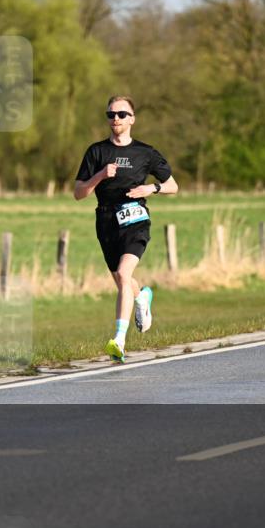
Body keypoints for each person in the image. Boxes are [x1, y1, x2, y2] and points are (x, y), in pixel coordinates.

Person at [73, 96, 178, 362]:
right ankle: (143, 295)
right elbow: (78, 193)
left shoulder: (146, 153)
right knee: (121, 280)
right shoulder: (96, 152)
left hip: (135, 219)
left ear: (132, 118)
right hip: (106, 220)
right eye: (110, 115)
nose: (115, 119)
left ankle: (118, 340)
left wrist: (151, 188)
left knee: (123, 272)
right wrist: (99, 176)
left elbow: (172, 186)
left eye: (121, 114)